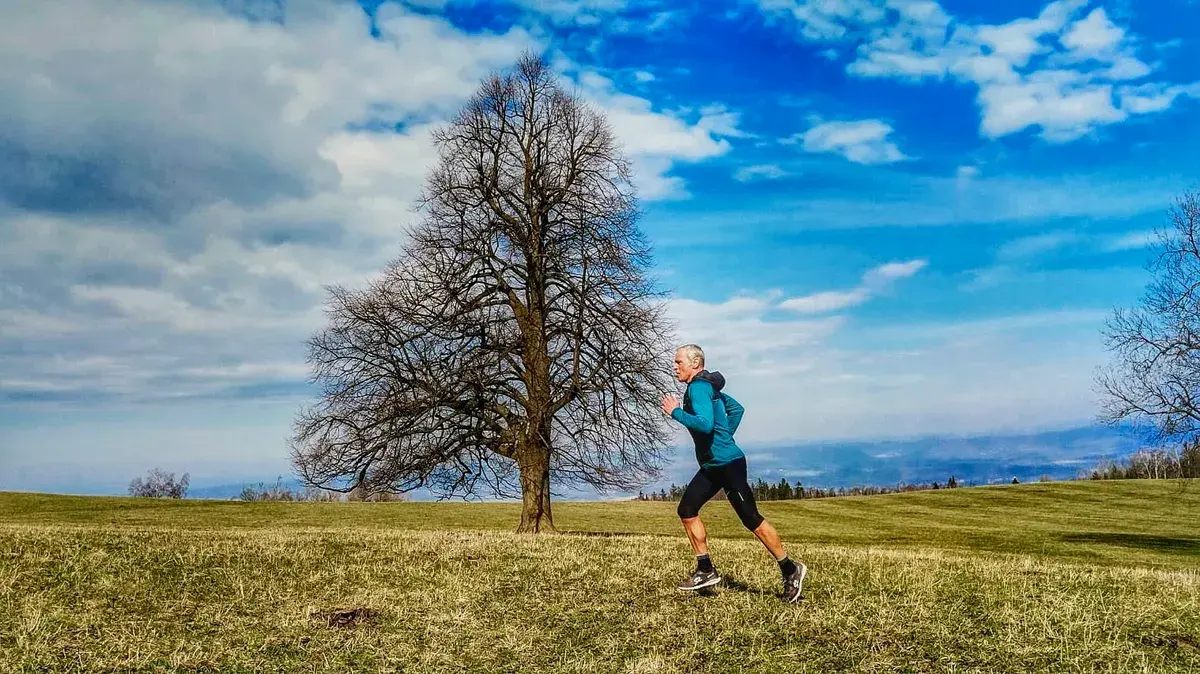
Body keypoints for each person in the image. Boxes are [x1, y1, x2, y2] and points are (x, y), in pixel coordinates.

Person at [660, 344, 807, 603]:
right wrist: (724, 436)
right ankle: (705, 569)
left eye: (678, 362)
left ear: (695, 363)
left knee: (751, 519)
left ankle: (790, 569)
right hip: (713, 465)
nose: (674, 367)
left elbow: (705, 425)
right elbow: (737, 409)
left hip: (728, 464)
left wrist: (676, 412)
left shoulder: (698, 388)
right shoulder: (708, 387)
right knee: (687, 509)